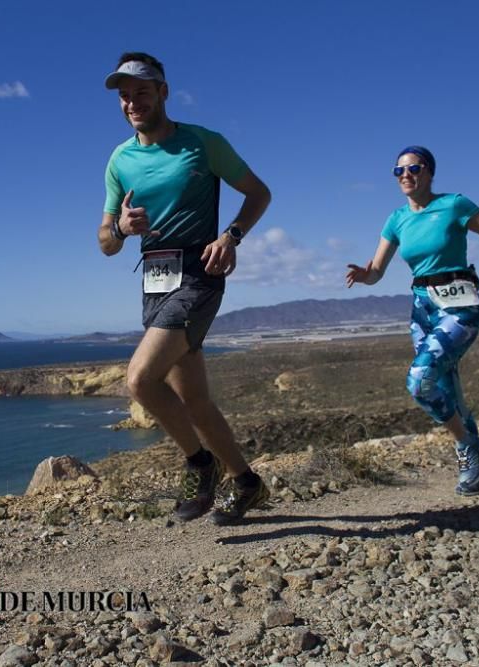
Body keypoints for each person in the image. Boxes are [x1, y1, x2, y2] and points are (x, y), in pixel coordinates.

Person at [97, 52, 272, 524]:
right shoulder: (120, 159)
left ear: (164, 93)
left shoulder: (202, 143)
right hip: (155, 279)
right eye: (124, 94)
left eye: (142, 91)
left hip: (200, 272)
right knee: (193, 400)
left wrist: (232, 235)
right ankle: (249, 484)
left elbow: (259, 193)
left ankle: (200, 463)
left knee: (139, 379)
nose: (132, 101)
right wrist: (122, 230)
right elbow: (105, 242)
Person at [346, 146, 479, 495]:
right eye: (398, 170)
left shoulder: (454, 205)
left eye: (414, 168)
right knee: (445, 385)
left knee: (420, 380)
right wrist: (365, 275)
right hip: (422, 309)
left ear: (430, 172)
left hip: (460, 304)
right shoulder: (396, 219)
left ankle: (467, 447)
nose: (405, 175)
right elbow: (377, 271)